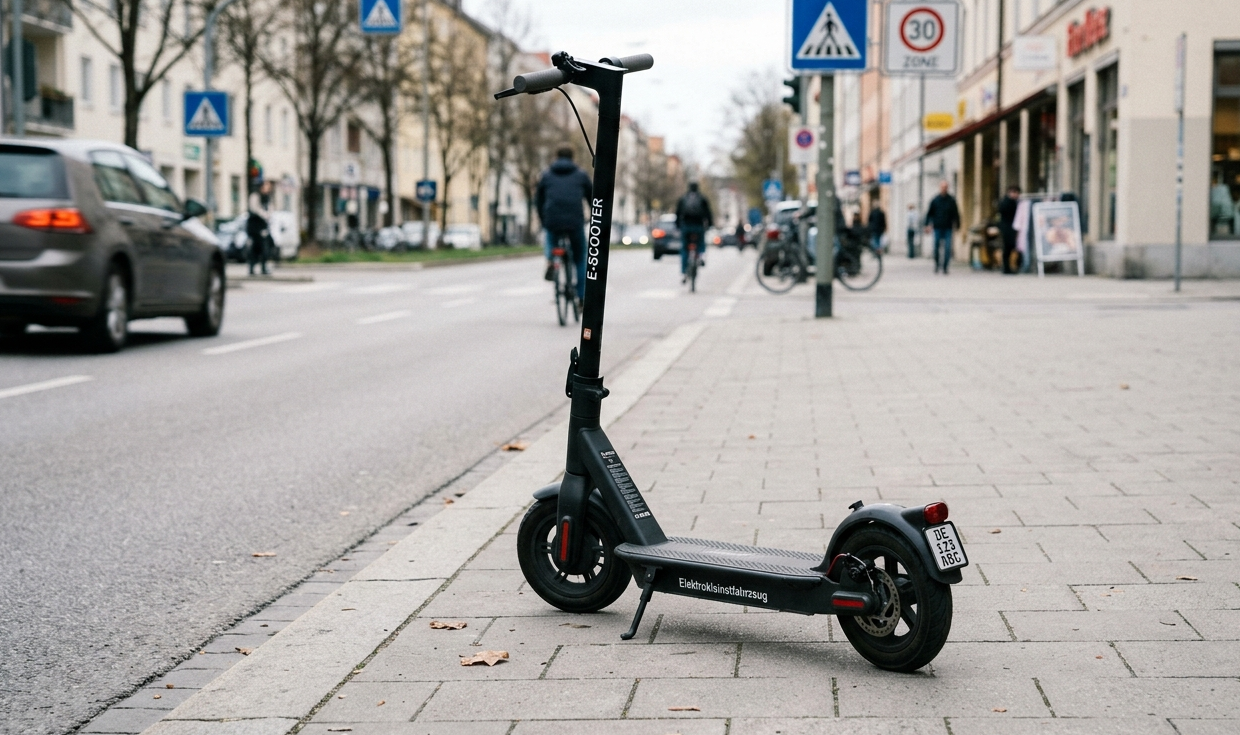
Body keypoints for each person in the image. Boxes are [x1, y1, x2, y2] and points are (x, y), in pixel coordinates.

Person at [535, 147, 592, 300]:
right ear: (573, 157)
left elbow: (539, 201)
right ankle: (581, 297)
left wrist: (543, 220)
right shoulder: (581, 175)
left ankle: (551, 261)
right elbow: (592, 197)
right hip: (575, 222)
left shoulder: (546, 175)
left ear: (556, 156)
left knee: (550, 237)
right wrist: (593, 216)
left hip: (552, 221)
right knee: (580, 258)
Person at [674, 181, 713, 282]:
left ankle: (683, 272)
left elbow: (678, 213)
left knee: (684, 249)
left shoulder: (683, 198)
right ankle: (701, 255)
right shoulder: (702, 198)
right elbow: (708, 213)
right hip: (698, 226)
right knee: (701, 242)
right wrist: (709, 225)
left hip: (686, 226)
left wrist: (678, 225)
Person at [924, 180, 961, 274]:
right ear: (940, 188)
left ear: (947, 188)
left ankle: (945, 267)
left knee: (947, 248)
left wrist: (958, 225)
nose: (944, 189)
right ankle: (937, 264)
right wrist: (927, 225)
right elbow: (929, 213)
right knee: (936, 247)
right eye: (942, 187)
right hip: (937, 227)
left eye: (945, 187)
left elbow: (956, 214)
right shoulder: (935, 200)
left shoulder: (951, 200)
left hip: (948, 227)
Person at [246, 182, 273, 276]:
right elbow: (255, 209)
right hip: (254, 227)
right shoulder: (255, 196)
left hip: (263, 227)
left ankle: (263, 267)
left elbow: (270, 209)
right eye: (266, 187)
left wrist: (268, 214)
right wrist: (265, 215)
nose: (267, 189)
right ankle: (252, 268)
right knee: (255, 248)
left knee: (265, 247)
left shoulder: (267, 198)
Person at [997, 185, 1021, 274]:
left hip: (1011, 228)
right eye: (1014, 192)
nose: (1016, 195)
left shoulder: (1015, 202)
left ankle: (1010, 267)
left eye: (1017, 193)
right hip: (1007, 228)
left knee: (1010, 248)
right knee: (1008, 248)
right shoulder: (1006, 202)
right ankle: (1006, 267)